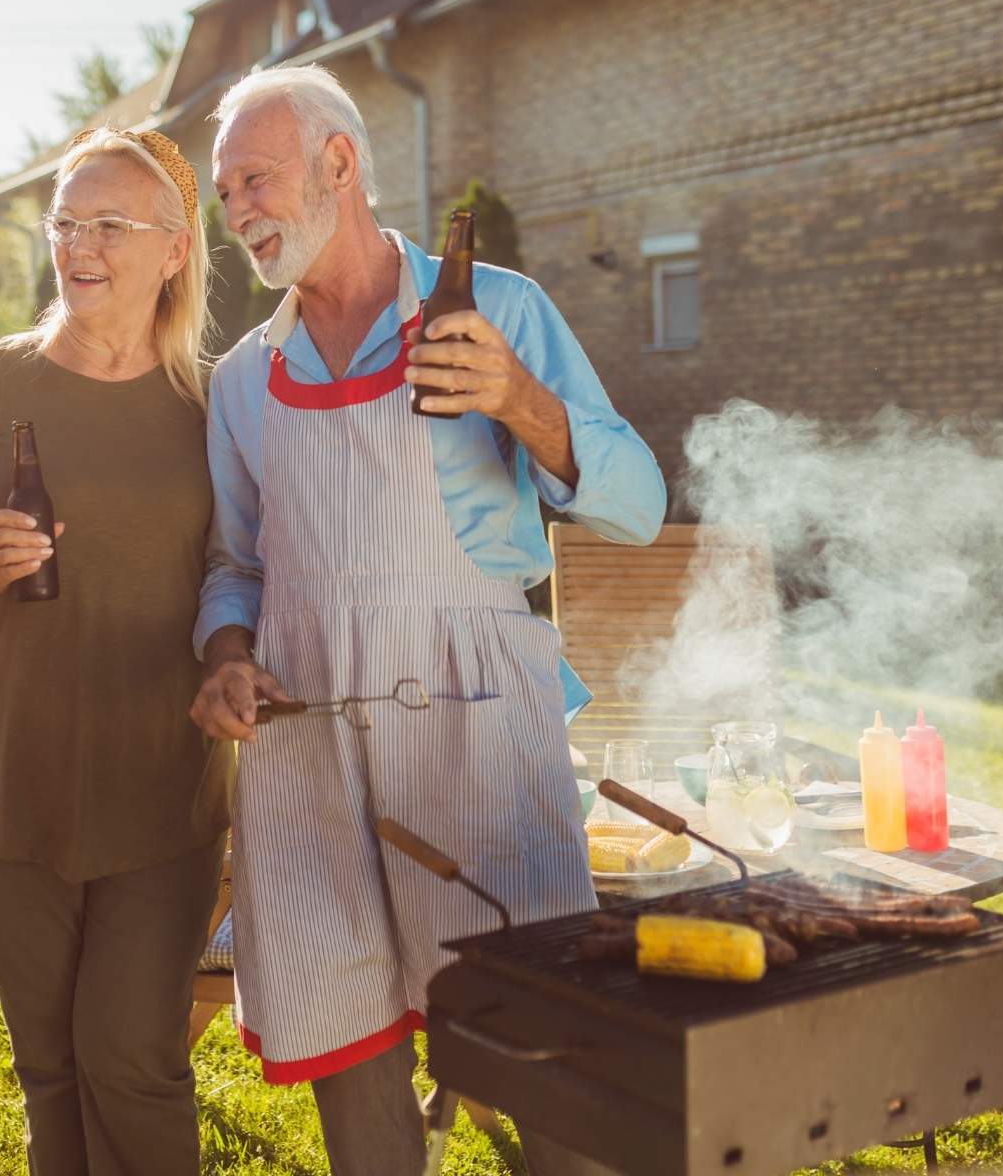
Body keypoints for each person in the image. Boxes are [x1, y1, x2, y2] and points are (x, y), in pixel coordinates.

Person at [188, 65, 666, 1175]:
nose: (239, 212)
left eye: (255, 179)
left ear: (339, 163)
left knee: (544, 1076)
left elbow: (639, 502)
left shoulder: (494, 309)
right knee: (357, 1100)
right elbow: (233, 565)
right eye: (226, 196)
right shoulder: (244, 379)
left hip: (477, 747)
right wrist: (224, 653)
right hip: (304, 757)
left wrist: (521, 402)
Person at [0, 127, 227, 1175]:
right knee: (52, 1068)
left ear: (174, 248)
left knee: (137, 1058)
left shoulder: (214, 404)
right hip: (4, 776)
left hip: (161, 786)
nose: (79, 243)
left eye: (109, 224)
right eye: (65, 222)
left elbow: (244, 572)